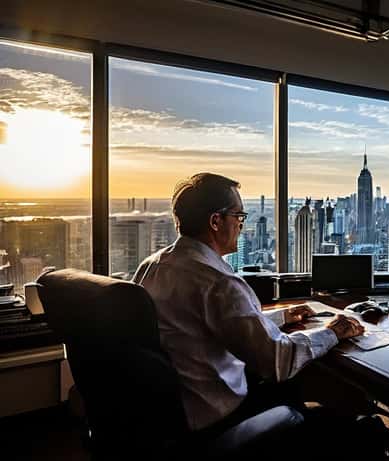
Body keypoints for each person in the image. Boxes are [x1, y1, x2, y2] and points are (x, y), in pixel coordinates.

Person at [132, 172, 365, 434]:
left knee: (299, 389)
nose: (242, 225)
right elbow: (278, 361)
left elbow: (206, 327)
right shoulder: (217, 281)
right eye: (239, 217)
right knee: (346, 424)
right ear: (216, 221)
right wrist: (333, 331)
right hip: (215, 417)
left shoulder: (150, 267)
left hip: (171, 413)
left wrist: (281, 318)